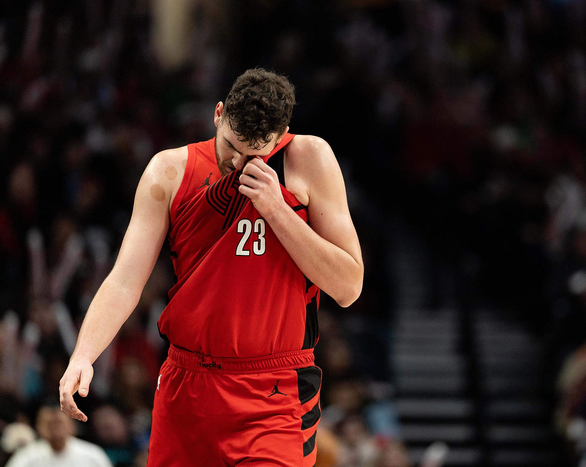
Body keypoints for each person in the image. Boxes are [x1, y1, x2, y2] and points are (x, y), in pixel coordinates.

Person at [59, 68, 364, 466]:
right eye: (231, 146)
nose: (237, 163)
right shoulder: (169, 170)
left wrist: (277, 210)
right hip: (187, 386)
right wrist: (83, 355)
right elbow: (124, 281)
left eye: (254, 155)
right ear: (218, 114)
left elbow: (348, 287)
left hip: (274, 392)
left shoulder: (308, 158)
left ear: (281, 135)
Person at [6, 403, 112, 467]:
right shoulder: (26, 457)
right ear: (39, 427)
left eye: (59, 423)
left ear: (72, 425)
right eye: (50, 424)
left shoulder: (93, 455)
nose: (55, 430)